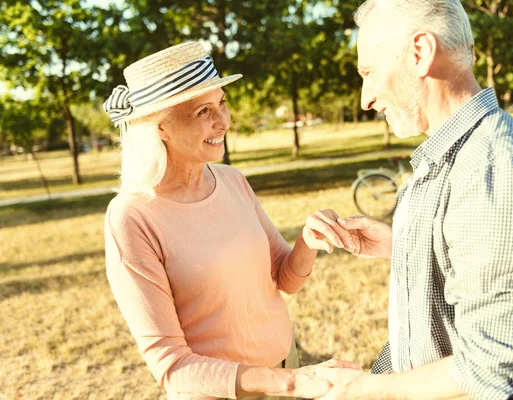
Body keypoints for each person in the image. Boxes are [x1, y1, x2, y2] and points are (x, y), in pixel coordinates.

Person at [305, 1, 513, 399]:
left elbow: (495, 367)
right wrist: (404, 246)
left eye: (369, 72)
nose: (366, 98)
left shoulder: (496, 171)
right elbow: (472, 260)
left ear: (420, 53)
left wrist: (367, 390)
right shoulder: (450, 154)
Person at [102, 41, 359, 400]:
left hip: (288, 366)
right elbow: (173, 369)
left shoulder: (232, 180)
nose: (222, 121)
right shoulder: (131, 217)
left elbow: (284, 278)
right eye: (201, 111)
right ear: (161, 128)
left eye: (222, 102)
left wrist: (308, 240)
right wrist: (294, 383)